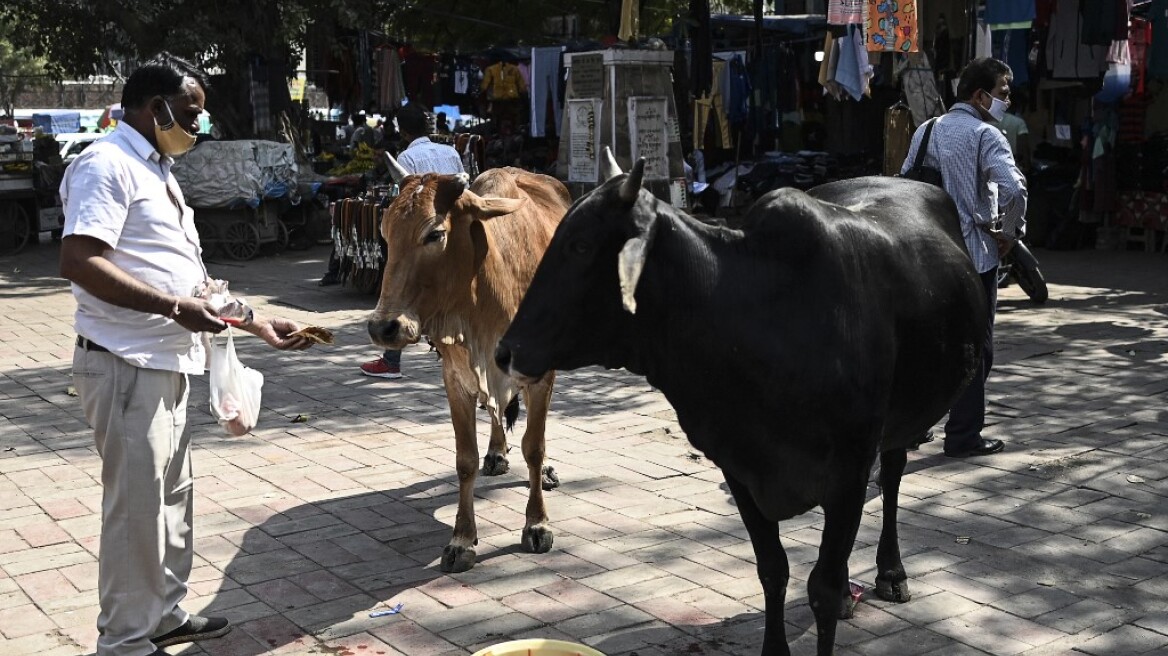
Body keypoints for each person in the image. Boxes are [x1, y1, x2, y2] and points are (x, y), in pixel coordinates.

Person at [58, 53, 315, 656]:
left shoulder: (158, 170)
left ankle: (164, 613)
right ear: (154, 109)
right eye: (191, 113)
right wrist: (173, 310)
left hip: (166, 362)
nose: (199, 126)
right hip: (125, 362)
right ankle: (123, 641)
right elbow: (78, 261)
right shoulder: (108, 164)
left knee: (172, 496)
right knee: (135, 511)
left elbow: (189, 280)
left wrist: (254, 323)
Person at [899, 56, 1027, 458]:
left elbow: (904, 184)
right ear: (980, 95)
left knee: (925, 344)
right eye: (1003, 93)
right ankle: (963, 435)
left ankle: (910, 426)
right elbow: (1015, 190)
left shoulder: (926, 129)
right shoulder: (987, 135)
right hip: (973, 257)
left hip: (923, 254)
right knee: (975, 347)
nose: (1007, 100)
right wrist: (1009, 234)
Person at [358, 103, 465, 379]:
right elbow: (464, 189)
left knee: (401, 290)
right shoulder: (450, 151)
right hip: (450, 237)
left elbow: (405, 201)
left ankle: (391, 361)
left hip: (420, 238)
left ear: (403, 131)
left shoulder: (407, 157)